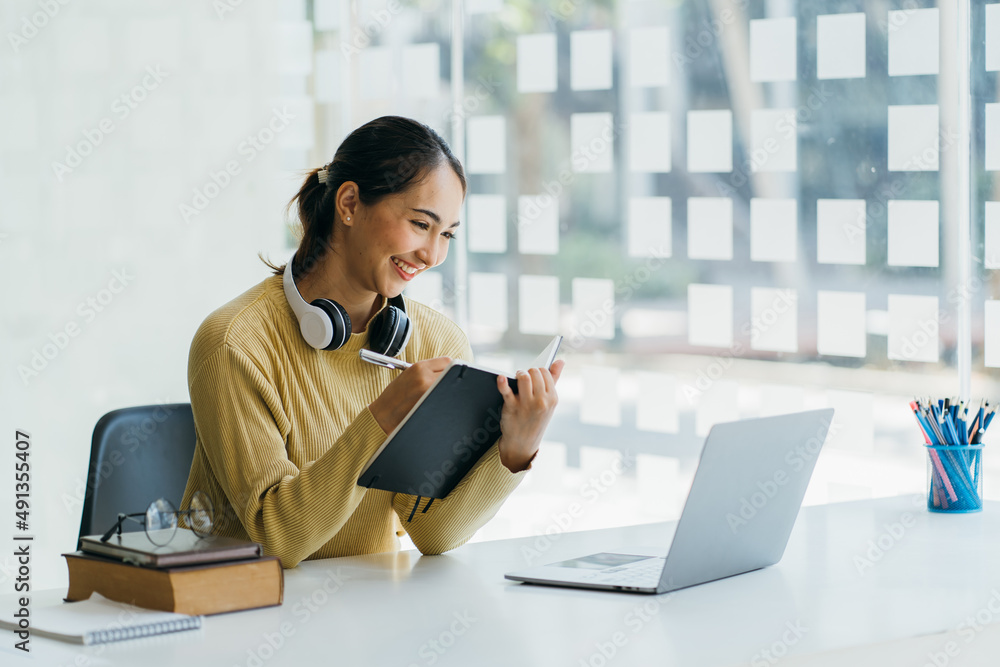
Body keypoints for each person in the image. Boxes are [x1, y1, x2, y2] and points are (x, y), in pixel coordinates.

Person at [180, 116, 564, 568]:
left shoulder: (435, 340)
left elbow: (433, 531)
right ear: (349, 203)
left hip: (368, 611)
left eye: (447, 235)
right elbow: (279, 537)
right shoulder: (234, 343)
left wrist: (512, 452)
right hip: (250, 612)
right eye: (421, 224)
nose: (433, 255)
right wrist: (384, 415)